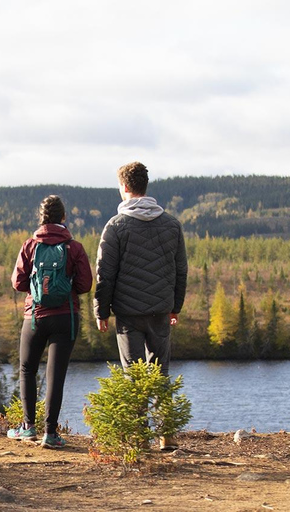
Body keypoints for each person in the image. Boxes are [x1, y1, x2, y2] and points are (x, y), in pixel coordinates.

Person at [93, 161, 188, 450]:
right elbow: (180, 269)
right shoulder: (171, 224)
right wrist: (175, 308)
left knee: (132, 373)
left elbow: (105, 274)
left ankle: (138, 436)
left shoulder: (115, 226)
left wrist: (101, 311)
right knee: (160, 372)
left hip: (127, 314)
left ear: (124, 188)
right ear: (145, 187)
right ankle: (167, 435)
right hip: (160, 310)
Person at [8, 195, 93, 448]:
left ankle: (27, 427)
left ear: (41, 218)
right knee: (56, 375)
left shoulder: (29, 245)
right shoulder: (74, 247)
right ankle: (51, 433)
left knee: (27, 370)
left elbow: (18, 283)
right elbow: (85, 284)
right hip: (65, 317)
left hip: (34, 317)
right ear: (63, 218)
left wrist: (37, 290)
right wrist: (66, 289)